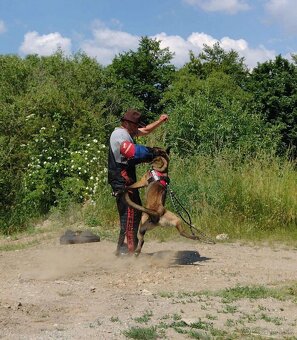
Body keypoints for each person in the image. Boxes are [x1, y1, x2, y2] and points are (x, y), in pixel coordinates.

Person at [108, 109, 168, 255]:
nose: (137, 129)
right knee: (129, 215)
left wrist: (160, 121)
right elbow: (131, 151)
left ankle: (126, 249)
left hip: (127, 179)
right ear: (127, 123)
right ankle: (125, 252)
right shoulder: (119, 135)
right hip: (122, 180)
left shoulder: (127, 132)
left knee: (134, 213)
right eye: (135, 126)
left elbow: (145, 130)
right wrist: (152, 153)